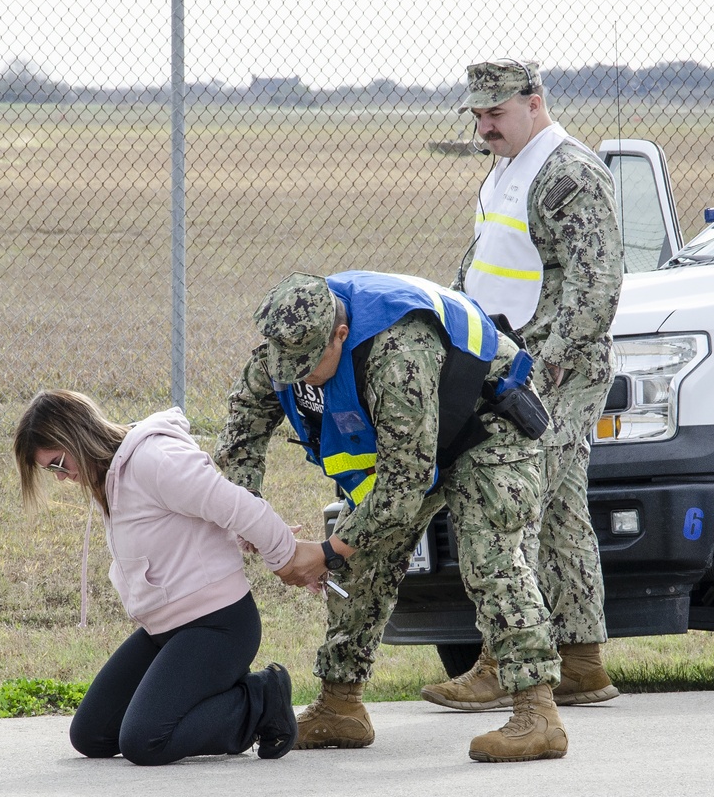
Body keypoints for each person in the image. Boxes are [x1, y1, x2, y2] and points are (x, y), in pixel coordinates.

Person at [215, 269, 569, 763]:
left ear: (339, 334)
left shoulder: (396, 352)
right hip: (414, 443)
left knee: (490, 558)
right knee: (358, 563)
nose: (294, 376)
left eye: (306, 365)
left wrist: (326, 551)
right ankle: (341, 706)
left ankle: (538, 713)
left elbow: (405, 482)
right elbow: (241, 431)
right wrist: (246, 513)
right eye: (285, 367)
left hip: (486, 429)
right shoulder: (287, 346)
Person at [421, 58, 624, 711]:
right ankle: (581, 662)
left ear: (535, 103)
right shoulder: (510, 167)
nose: (484, 126)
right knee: (559, 510)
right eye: (477, 115)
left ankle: (509, 664)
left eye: (496, 113)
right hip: (509, 364)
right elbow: (487, 259)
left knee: (514, 507)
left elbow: (597, 284)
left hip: (551, 374)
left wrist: (542, 364)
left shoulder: (569, 170)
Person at [13, 389, 299, 765]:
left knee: (145, 741)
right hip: (165, 630)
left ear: (76, 436)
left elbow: (240, 505)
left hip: (219, 625)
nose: (61, 477)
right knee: (91, 735)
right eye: (51, 471)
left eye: (58, 463)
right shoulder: (111, 475)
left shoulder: (154, 460)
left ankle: (262, 698)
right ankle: (213, 693)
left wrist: (288, 559)